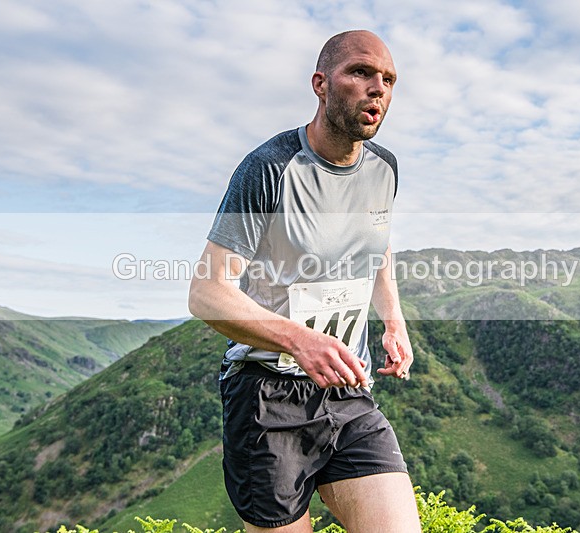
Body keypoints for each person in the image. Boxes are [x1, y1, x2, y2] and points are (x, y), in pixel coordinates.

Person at [188, 29, 420, 533]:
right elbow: (206, 293)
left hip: (347, 387)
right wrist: (300, 340)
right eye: (360, 72)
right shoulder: (268, 169)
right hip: (266, 395)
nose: (377, 88)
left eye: (388, 79)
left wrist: (393, 321)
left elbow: (377, 245)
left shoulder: (385, 168)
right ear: (320, 83)